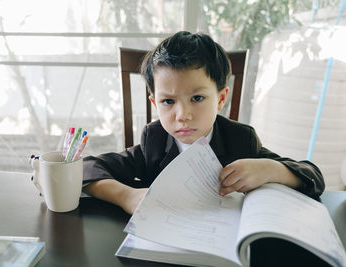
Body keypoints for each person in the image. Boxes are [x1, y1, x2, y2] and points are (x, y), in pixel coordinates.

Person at [82, 31, 325, 215]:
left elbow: (314, 177)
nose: (182, 115)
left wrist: (271, 170)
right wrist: (125, 196)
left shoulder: (240, 140)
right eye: (168, 101)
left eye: (197, 98)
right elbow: (87, 167)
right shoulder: (155, 140)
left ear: (220, 98)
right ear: (155, 104)